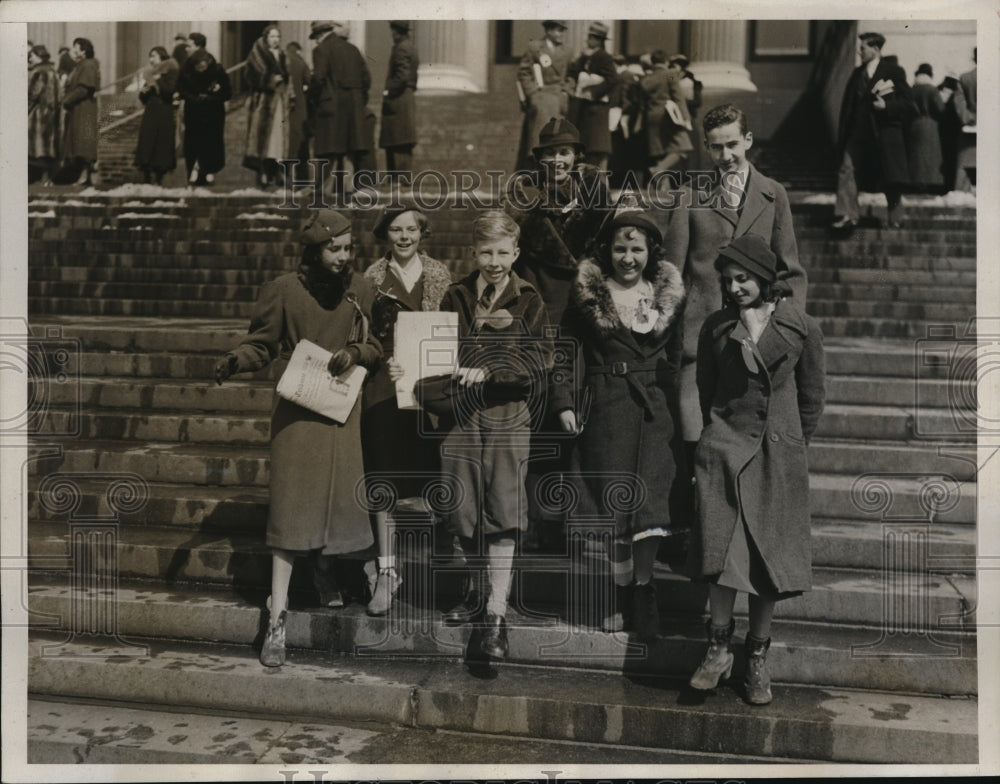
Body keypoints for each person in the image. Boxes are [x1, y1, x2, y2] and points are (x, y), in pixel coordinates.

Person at [213, 210, 382, 667]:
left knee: (333, 504)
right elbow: (263, 343)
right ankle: (278, 617)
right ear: (313, 250)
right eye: (334, 249)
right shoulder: (283, 290)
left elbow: (377, 346)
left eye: (348, 249)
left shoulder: (361, 289)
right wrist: (236, 360)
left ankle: (327, 574)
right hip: (297, 413)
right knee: (289, 514)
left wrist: (355, 352)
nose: (343, 257)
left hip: (341, 412)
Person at [686, 233, 825, 705]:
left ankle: (757, 658)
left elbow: (812, 398)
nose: (735, 287)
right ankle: (718, 647)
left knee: (767, 561)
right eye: (728, 280)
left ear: (765, 279)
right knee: (722, 555)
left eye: (743, 278)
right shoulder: (716, 327)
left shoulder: (801, 326)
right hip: (724, 449)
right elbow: (707, 390)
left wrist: (790, 444)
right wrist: (714, 438)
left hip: (776, 455)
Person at [661, 103, 807, 546]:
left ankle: (735, 540)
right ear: (706, 147)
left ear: (748, 140)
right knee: (694, 440)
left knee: (739, 448)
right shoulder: (691, 195)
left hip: (754, 344)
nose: (724, 155)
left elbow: (791, 272)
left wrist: (783, 332)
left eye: (732, 144)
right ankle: (691, 539)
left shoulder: (772, 194)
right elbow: (670, 270)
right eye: (715, 146)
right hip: (697, 341)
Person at [552, 209, 685, 639]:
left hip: (655, 412)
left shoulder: (667, 296)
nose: (629, 258)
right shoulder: (589, 295)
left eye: (637, 249)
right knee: (615, 510)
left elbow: (679, 355)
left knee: (650, 511)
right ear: (607, 252)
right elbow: (565, 351)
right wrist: (564, 402)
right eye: (621, 249)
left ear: (651, 252)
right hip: (607, 409)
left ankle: (643, 594)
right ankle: (621, 586)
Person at [437, 211, 551, 659]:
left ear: (516, 253)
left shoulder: (529, 299)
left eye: (503, 252)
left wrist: (491, 369)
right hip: (462, 415)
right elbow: (438, 347)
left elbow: (540, 359)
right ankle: (474, 588)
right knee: (462, 503)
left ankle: (496, 611)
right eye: (486, 252)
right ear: (473, 252)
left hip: (508, 414)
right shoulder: (455, 294)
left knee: (504, 505)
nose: (494, 261)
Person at [507, 117, 612, 553]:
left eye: (564, 152)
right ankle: (539, 522)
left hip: (585, 321)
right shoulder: (525, 201)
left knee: (583, 422)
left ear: (577, 157)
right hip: (543, 321)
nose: (557, 161)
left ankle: (582, 525)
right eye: (549, 153)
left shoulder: (596, 203)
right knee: (542, 424)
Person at [361, 204, 452, 616]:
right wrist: (381, 360)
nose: (403, 237)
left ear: (422, 232)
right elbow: (360, 335)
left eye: (411, 229)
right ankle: (386, 570)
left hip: (428, 387)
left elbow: (450, 332)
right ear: (385, 235)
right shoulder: (370, 278)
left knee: (433, 474)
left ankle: (444, 568)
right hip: (383, 385)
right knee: (382, 476)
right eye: (395, 230)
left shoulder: (440, 274)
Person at [832, 32, 914, 230]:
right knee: (846, 169)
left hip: (883, 133)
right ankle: (847, 215)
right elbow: (848, 106)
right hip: (857, 133)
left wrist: (886, 107)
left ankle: (895, 217)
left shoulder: (894, 71)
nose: (860, 52)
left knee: (890, 175)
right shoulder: (856, 74)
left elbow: (909, 104)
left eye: (863, 48)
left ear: (876, 49)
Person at [309, 20, 371, 202]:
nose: (316, 42)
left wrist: (313, 98)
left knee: (330, 149)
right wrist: (359, 101)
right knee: (349, 148)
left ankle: (326, 190)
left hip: (331, 108)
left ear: (320, 35)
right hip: (353, 106)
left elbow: (319, 79)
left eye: (316, 38)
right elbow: (366, 80)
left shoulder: (321, 50)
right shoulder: (353, 49)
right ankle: (348, 188)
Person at [515, 20, 572, 171]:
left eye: (563, 30)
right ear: (548, 30)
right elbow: (524, 73)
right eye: (558, 30)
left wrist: (565, 91)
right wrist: (533, 95)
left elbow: (571, 75)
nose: (561, 34)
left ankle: (554, 177)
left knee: (557, 141)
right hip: (541, 98)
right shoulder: (535, 48)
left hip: (558, 99)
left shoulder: (567, 51)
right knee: (538, 142)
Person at [243, 24, 291, 188]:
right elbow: (250, 76)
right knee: (262, 139)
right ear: (266, 38)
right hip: (263, 103)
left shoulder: (283, 55)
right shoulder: (258, 54)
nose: (275, 40)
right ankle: (262, 172)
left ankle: (276, 171)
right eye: (272, 36)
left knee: (276, 138)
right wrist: (270, 80)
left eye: (278, 36)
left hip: (279, 103)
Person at [177, 46, 231, 186]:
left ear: (207, 63)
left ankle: (207, 171)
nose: (201, 69)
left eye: (203, 66)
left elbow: (228, 92)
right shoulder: (187, 72)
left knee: (211, 143)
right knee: (193, 143)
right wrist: (194, 98)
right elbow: (181, 89)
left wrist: (212, 97)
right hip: (194, 112)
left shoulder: (217, 71)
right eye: (198, 67)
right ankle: (192, 171)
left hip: (213, 113)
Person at [567, 22, 619, 171]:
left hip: (597, 110)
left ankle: (599, 186)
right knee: (588, 149)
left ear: (598, 40)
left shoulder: (604, 57)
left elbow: (613, 79)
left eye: (591, 37)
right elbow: (573, 72)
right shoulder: (585, 57)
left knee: (597, 148)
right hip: (585, 109)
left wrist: (594, 92)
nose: (588, 40)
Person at [640, 49, 693, 179]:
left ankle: (663, 187)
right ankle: (658, 169)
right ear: (666, 61)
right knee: (682, 147)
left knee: (660, 152)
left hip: (651, 116)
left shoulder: (647, 78)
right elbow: (678, 96)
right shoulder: (670, 74)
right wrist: (686, 118)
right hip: (669, 116)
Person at [134, 46, 179, 185]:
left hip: (164, 111)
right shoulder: (151, 74)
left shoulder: (170, 70)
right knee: (147, 142)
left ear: (161, 56)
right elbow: (143, 98)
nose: (151, 59)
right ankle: (147, 175)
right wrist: (145, 90)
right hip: (151, 111)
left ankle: (159, 177)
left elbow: (168, 91)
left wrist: (156, 81)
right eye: (150, 56)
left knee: (161, 144)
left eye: (153, 56)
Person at [379, 21, 419, 175]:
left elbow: (402, 76)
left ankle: (398, 179)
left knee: (397, 139)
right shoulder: (410, 46)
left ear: (396, 31)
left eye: (392, 31)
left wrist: (388, 92)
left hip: (399, 98)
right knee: (401, 140)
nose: (391, 34)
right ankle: (400, 178)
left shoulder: (401, 48)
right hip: (405, 96)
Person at [61, 37, 100, 186]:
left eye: (76, 47)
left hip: (84, 109)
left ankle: (85, 175)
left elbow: (83, 89)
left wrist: (67, 100)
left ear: (83, 50)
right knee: (79, 142)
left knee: (83, 143)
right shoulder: (81, 65)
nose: (73, 50)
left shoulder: (88, 65)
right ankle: (83, 176)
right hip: (78, 109)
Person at [906, 63, 945, 193]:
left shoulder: (912, 89)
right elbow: (940, 109)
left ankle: (916, 182)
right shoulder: (932, 89)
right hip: (930, 125)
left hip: (914, 124)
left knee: (916, 156)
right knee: (930, 157)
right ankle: (930, 183)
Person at [28, 44, 61, 185]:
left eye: (32, 56)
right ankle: (47, 177)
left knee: (37, 147)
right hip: (51, 112)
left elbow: (33, 94)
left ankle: (41, 177)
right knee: (48, 146)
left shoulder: (39, 72)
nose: (30, 59)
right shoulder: (53, 71)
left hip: (38, 113)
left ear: (39, 56)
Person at [285, 41, 312, 183]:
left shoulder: (281, 62)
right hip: (300, 111)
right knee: (301, 144)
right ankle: (302, 178)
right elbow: (310, 81)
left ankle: (283, 176)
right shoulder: (301, 63)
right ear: (299, 51)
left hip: (284, 111)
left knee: (285, 144)